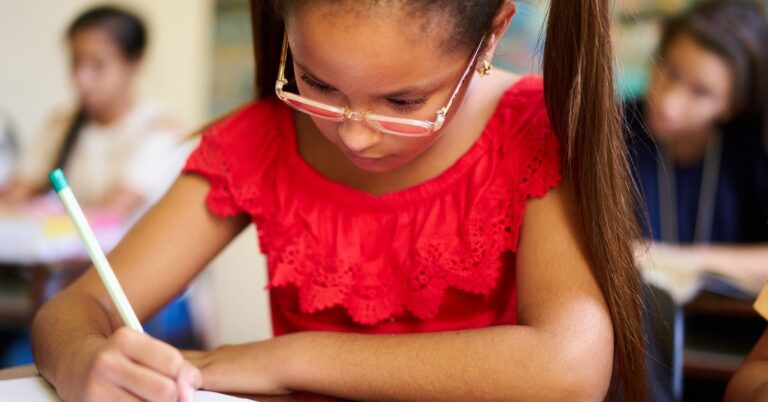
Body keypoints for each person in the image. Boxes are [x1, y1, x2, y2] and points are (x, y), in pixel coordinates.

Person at [31, 1, 648, 401]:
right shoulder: (259, 140)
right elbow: (73, 308)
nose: (354, 133)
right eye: (317, 83)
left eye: (403, 103)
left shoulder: (532, 131)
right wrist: (84, 359)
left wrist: (285, 361)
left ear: (491, 35)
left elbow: (567, 369)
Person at [627, 0, 768, 280]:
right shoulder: (612, 129)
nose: (669, 103)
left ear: (734, 105)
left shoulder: (753, 150)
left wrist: (671, 259)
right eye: (669, 70)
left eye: (701, 92)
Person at [0, 6, 185, 217]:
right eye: (75, 61)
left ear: (134, 64)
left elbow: (112, 213)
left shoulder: (160, 129)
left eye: (98, 65)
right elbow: (15, 195)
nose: (82, 78)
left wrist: (38, 212)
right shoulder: (61, 124)